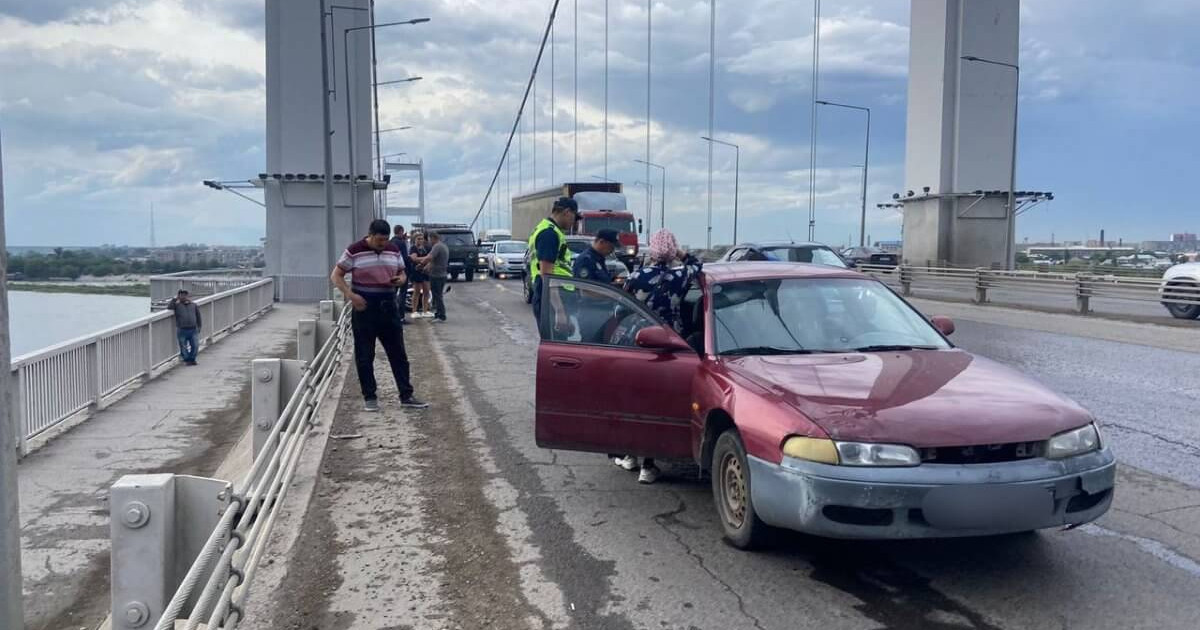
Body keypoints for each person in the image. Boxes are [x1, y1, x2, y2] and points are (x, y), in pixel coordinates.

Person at [614, 228, 703, 484]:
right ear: (672, 249)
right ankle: (648, 465)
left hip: (637, 341)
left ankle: (629, 455)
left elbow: (621, 308)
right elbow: (697, 265)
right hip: (668, 344)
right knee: (656, 404)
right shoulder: (682, 276)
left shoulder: (637, 276)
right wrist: (681, 254)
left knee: (634, 400)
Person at [331, 218, 429, 411]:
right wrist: (351, 296)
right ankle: (370, 398)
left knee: (398, 354)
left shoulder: (393, 249)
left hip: (388, 307)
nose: (382, 244)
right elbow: (336, 275)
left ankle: (406, 396)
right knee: (365, 355)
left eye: (385, 240)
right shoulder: (354, 250)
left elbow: (402, 273)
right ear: (370, 235)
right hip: (365, 308)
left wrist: (400, 280)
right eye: (379, 241)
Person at [528, 197, 579, 326]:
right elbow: (547, 275)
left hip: (552, 295)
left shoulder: (548, 229)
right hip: (553, 297)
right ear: (567, 212)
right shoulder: (549, 234)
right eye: (574, 218)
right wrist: (559, 310)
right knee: (556, 343)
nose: (574, 223)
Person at [412, 230, 450, 322]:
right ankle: (438, 313)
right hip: (442, 274)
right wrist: (425, 267)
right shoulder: (444, 246)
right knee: (438, 295)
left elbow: (429, 257)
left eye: (429, 239)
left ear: (433, 238)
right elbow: (434, 261)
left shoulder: (436, 246)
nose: (428, 241)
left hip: (437, 275)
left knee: (437, 296)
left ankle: (441, 316)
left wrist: (420, 264)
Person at [168, 289, 202, 365]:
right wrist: (174, 299)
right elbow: (169, 307)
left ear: (187, 295)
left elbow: (198, 316)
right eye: (181, 295)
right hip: (182, 329)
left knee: (195, 345)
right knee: (183, 347)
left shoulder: (193, 305)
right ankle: (187, 360)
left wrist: (199, 326)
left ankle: (192, 359)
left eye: (185, 295)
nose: (183, 296)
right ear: (179, 296)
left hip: (193, 329)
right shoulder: (177, 305)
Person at [390, 224, 412, 323]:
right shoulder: (402, 243)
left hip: (391, 272)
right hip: (402, 272)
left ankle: (391, 316)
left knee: (392, 294)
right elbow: (404, 258)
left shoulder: (390, 242)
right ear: (401, 231)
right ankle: (401, 317)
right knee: (402, 294)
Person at [408, 232, 432, 318]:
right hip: (416, 272)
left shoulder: (426, 248)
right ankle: (414, 310)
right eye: (418, 239)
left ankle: (425, 310)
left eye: (422, 238)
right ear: (414, 240)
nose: (420, 240)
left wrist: (424, 260)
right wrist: (426, 259)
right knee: (417, 291)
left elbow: (431, 258)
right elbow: (414, 259)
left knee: (426, 291)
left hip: (425, 271)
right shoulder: (413, 248)